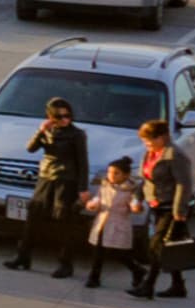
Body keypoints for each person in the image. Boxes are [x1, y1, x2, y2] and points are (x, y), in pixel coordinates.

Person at [9, 95, 86, 276]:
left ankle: (66, 264)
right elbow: (31, 148)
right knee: (33, 217)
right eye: (59, 116)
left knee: (64, 222)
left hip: (66, 180)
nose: (64, 119)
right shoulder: (47, 131)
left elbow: (83, 163)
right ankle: (23, 257)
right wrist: (41, 131)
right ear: (50, 117)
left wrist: (82, 189)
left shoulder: (77, 134)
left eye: (67, 115)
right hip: (45, 178)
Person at [135, 116, 195, 301]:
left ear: (162, 137)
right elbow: (145, 179)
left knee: (157, 245)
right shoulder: (150, 154)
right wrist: (138, 199)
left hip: (172, 208)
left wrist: (179, 211)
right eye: (144, 141)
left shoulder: (175, 156)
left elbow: (183, 184)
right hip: (157, 205)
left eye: (149, 140)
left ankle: (148, 285)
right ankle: (178, 286)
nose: (146, 144)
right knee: (170, 246)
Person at [83, 158, 143, 292]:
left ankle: (137, 269)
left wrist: (136, 207)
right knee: (98, 251)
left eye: (116, 173)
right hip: (102, 223)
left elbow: (134, 204)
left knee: (119, 253)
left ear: (126, 175)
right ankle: (94, 277)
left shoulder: (130, 190)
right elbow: (98, 198)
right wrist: (93, 204)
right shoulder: (105, 186)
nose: (111, 175)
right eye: (109, 172)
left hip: (118, 224)